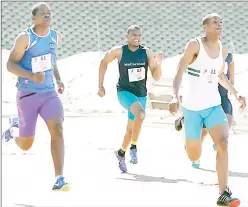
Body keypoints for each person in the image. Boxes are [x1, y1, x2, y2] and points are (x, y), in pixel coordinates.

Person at [169, 13, 246, 206]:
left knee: (223, 142)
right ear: (205, 27)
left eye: (221, 22)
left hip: (213, 105)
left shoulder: (223, 50)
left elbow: (220, 75)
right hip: (192, 108)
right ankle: (185, 122)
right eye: (215, 22)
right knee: (193, 155)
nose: (219, 24)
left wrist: (235, 93)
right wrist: (174, 96)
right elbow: (179, 71)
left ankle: (223, 193)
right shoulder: (194, 45)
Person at [2, 2, 69, 191]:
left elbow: (51, 60)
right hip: (28, 94)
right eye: (42, 13)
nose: (47, 15)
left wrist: (58, 79)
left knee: (58, 128)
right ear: (33, 18)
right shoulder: (25, 38)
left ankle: (59, 178)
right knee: (25, 145)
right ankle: (13, 131)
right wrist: (32, 76)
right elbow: (10, 65)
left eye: (49, 12)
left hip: (49, 94)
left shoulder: (56, 36)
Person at [97, 25, 162, 172]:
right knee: (140, 113)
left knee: (130, 128)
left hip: (141, 94)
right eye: (133, 35)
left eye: (139, 35)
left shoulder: (146, 52)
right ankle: (134, 146)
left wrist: (158, 63)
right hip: (124, 92)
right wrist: (100, 85)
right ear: (127, 36)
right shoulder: (119, 51)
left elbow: (156, 76)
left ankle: (121, 152)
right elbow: (103, 62)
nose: (137, 37)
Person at [175, 51, 236, 168]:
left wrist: (234, 90)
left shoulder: (229, 56)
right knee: (202, 133)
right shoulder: (202, 55)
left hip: (222, 98)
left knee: (227, 120)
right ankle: (196, 156)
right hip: (206, 100)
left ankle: (218, 142)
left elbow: (229, 76)